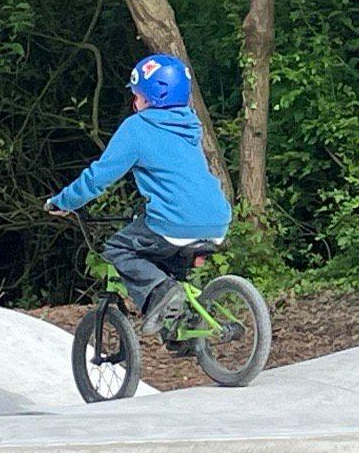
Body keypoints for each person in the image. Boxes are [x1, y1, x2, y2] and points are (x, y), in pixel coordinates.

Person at [48, 53, 232, 335]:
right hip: (217, 219)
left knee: (118, 248)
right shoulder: (190, 125)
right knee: (161, 254)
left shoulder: (137, 128)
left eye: (138, 96)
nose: (135, 102)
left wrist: (63, 202)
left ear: (153, 98)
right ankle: (182, 324)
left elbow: (99, 178)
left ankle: (162, 290)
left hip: (174, 221)